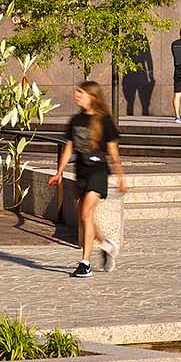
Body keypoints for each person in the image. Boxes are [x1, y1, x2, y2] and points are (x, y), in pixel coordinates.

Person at [50, 79, 127, 278]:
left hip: (98, 172)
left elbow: (113, 152)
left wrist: (120, 177)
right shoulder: (76, 120)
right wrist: (59, 172)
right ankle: (107, 245)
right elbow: (68, 148)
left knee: (85, 214)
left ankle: (85, 263)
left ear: (92, 96)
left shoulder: (104, 121)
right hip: (81, 172)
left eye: (80, 92)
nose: (76, 95)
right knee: (86, 217)